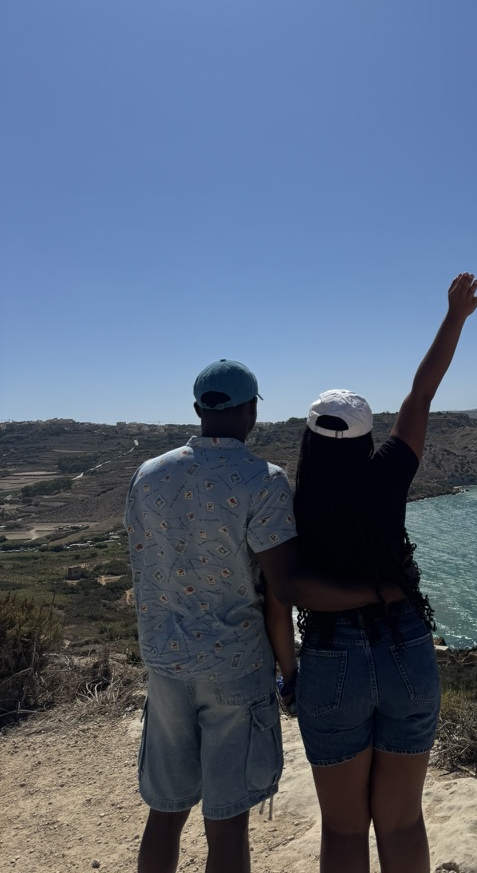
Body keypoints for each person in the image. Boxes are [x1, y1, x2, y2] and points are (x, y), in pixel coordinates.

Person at [125, 359, 394, 873]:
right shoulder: (262, 481)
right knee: (226, 826)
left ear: (198, 408)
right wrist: (376, 592)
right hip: (234, 667)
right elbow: (285, 587)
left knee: (164, 813)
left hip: (165, 663)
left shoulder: (148, 475)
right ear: (250, 410)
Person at [293, 272, 477, 873]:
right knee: (402, 822)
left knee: (345, 832)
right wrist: (454, 318)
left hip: (329, 657)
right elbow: (419, 396)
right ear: (366, 437)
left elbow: (286, 587)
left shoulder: (290, 502)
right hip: (405, 642)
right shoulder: (388, 475)